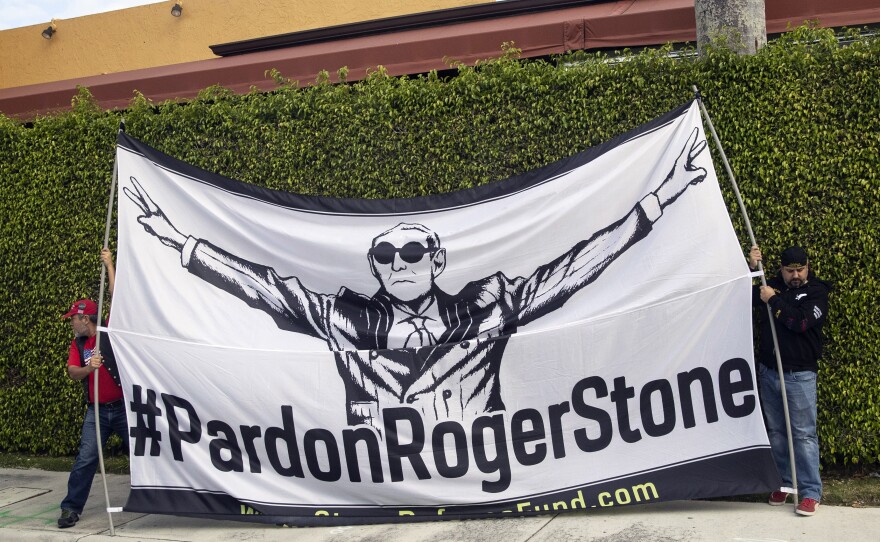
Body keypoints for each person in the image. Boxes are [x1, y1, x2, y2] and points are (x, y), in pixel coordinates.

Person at [124, 129, 709, 428]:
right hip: (376, 472)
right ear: (374, 267)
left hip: (482, 468)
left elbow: (574, 268)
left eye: (412, 252)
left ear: (437, 263)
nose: (399, 263)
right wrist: (179, 240)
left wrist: (658, 199)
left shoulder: (487, 308)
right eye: (386, 255)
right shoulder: (342, 318)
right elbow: (265, 285)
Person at [748, 245, 831, 517]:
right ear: (781, 270)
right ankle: (785, 484)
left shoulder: (817, 292)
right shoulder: (769, 285)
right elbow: (747, 298)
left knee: (804, 434)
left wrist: (773, 300)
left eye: (800, 269)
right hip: (769, 372)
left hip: (800, 375)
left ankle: (810, 492)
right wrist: (752, 269)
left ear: (807, 267)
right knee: (776, 433)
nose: (796, 275)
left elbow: (800, 322)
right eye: (790, 270)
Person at [57, 249, 128, 529]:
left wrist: (109, 264)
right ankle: (71, 509)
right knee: (86, 459)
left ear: (85, 318)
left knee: (143, 453)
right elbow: (73, 372)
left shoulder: (109, 332)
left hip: (123, 409)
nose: (71, 323)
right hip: (96, 413)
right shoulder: (78, 345)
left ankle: (162, 497)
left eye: (73, 318)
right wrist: (90, 368)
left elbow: (117, 297)